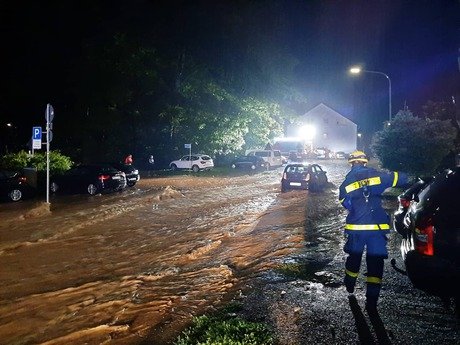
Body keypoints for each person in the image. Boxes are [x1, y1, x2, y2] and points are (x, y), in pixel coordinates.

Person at [339, 150, 409, 311]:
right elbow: (400, 178)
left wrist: (355, 209)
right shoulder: (378, 175)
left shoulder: (347, 182)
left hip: (356, 229)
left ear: (351, 163)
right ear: (365, 162)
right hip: (377, 229)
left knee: (354, 257)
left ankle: (350, 285)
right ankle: (371, 301)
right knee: (375, 262)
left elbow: (344, 201)